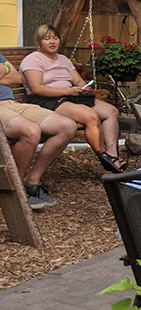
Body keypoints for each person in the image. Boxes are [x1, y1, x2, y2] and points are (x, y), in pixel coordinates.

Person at [20, 25, 125, 172]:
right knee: (91, 117)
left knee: (111, 111)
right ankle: (103, 156)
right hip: (48, 100)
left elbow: (78, 81)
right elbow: (37, 88)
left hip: (72, 97)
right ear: (39, 41)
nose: (52, 42)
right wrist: (68, 91)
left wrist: (83, 87)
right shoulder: (33, 60)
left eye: (55, 38)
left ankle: (112, 155)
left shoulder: (63, 59)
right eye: (47, 38)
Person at [0, 52, 76, 209]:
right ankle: (17, 188)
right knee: (31, 131)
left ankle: (32, 180)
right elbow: (9, 74)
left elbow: (16, 78)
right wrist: (5, 70)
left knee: (67, 126)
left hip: (13, 105)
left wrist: (6, 69)